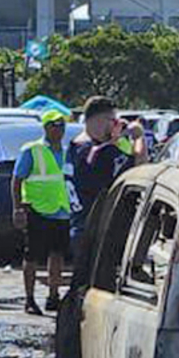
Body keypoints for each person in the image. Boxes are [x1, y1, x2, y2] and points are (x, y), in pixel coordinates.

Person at [12, 107, 73, 314]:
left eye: (62, 125)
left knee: (57, 255)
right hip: (37, 210)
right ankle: (29, 299)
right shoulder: (32, 150)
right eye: (55, 125)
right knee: (32, 257)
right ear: (46, 128)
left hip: (60, 209)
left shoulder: (67, 152)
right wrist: (18, 208)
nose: (60, 129)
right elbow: (17, 180)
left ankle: (53, 296)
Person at [66, 96, 143, 246]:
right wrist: (138, 136)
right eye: (113, 120)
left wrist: (112, 139)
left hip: (79, 226)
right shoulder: (100, 152)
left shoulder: (75, 146)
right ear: (100, 120)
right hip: (98, 231)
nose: (116, 125)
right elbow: (140, 165)